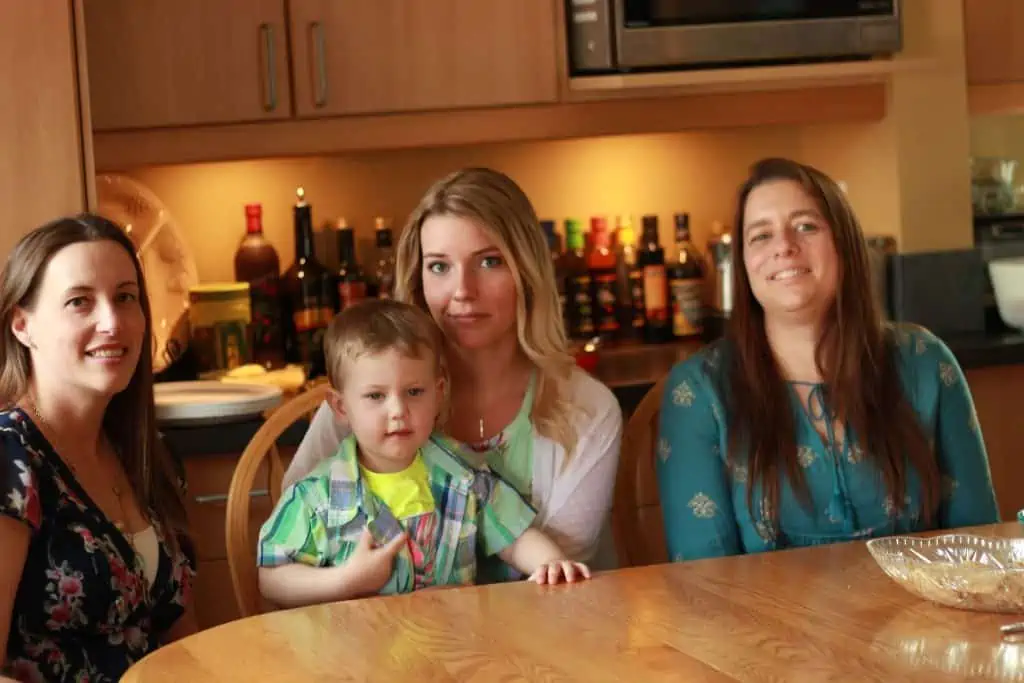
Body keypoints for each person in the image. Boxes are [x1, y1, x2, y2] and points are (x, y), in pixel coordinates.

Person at [282, 168, 623, 580]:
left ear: (527, 272)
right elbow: (293, 544)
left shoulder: (586, 409)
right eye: (440, 267)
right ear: (417, 277)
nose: (463, 290)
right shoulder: (370, 392)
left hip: (538, 633)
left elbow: (558, 581)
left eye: (489, 262)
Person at [656, 157, 999, 562]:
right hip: (767, 626)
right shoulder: (699, 392)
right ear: (744, 266)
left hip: (920, 623)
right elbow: (703, 580)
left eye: (806, 226)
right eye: (760, 236)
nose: (784, 246)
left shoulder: (925, 363)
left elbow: (980, 547)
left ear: (845, 244)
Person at [258, 300, 591, 606]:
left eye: (414, 392)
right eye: (375, 396)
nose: (398, 410)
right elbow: (272, 577)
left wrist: (550, 563)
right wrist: (344, 581)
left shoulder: (464, 476)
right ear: (341, 407)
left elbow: (515, 537)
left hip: (457, 651)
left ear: (438, 393)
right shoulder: (316, 497)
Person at [0, 215, 196, 682]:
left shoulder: (148, 454)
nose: (112, 322)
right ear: (23, 326)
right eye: (79, 302)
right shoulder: (10, 457)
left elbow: (185, 642)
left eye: (125, 297)